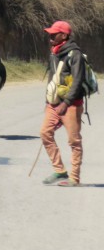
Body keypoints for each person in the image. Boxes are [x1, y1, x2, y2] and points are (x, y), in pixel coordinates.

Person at [41, 20, 86, 186]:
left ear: (64, 35)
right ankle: (59, 171)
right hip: (53, 104)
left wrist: (66, 103)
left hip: (71, 104)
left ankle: (74, 178)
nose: (50, 37)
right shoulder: (54, 53)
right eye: (50, 34)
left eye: (54, 34)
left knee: (74, 141)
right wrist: (48, 101)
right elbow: (52, 79)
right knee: (45, 133)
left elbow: (77, 82)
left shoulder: (75, 55)